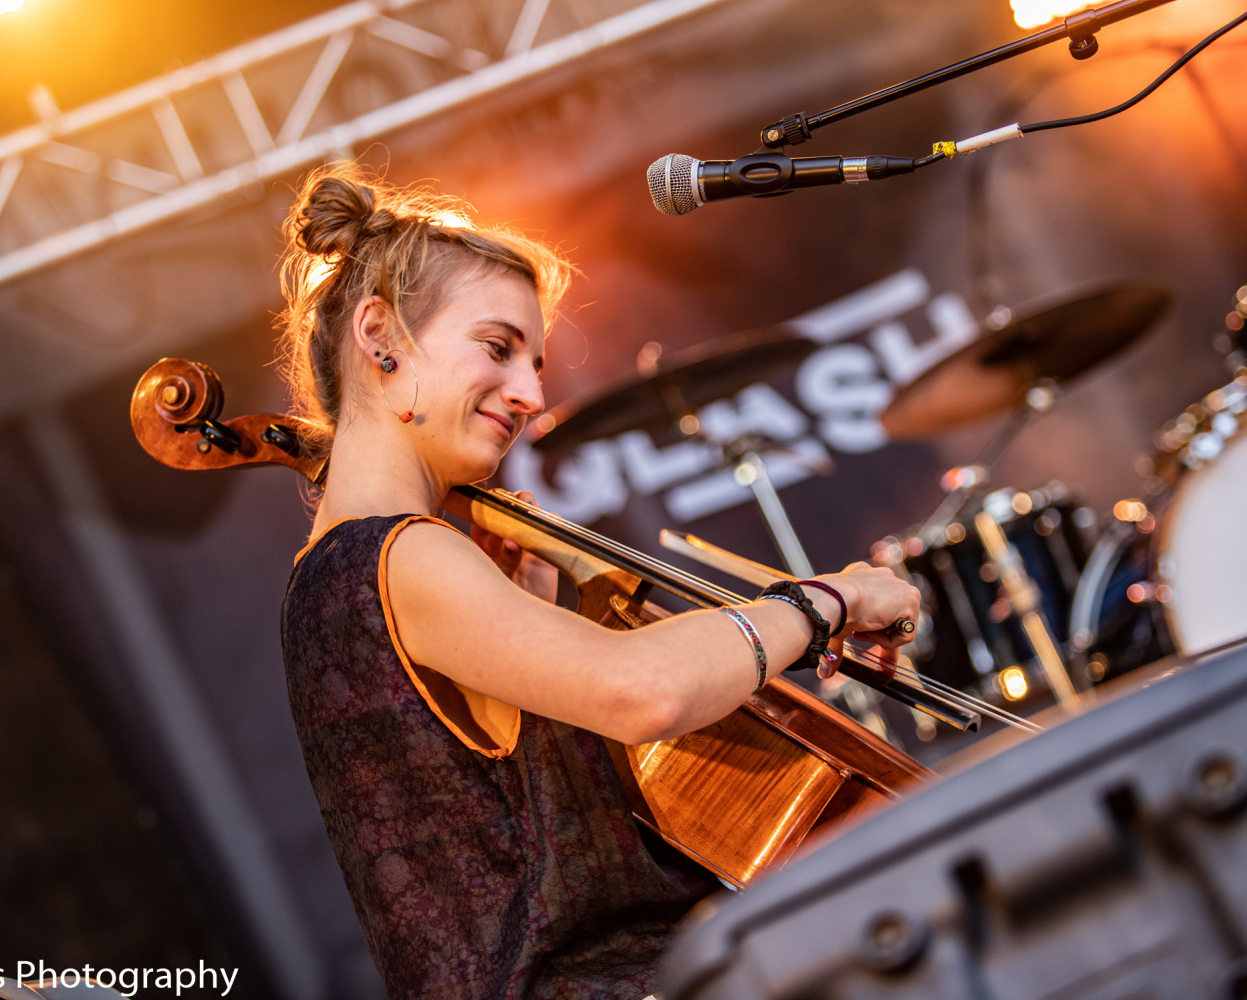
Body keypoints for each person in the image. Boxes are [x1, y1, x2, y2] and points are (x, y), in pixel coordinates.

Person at [276, 164, 922, 1000]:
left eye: (534, 363)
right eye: (498, 348)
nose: (532, 394)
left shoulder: (327, 579)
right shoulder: (398, 554)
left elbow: (502, 841)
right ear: (379, 337)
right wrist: (826, 601)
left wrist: (536, 614)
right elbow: (645, 691)